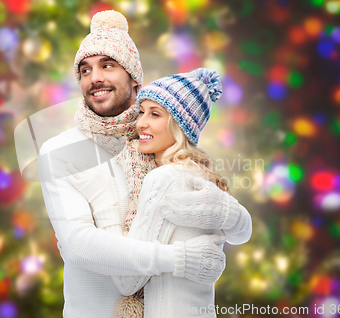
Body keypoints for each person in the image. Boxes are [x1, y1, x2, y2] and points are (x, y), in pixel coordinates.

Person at [38, 10, 231, 318]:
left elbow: (207, 229)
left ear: (133, 75)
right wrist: (178, 259)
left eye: (108, 65)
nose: (94, 77)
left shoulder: (162, 141)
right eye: (84, 70)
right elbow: (79, 244)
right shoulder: (58, 152)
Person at [68, 68, 252, 318]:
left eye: (155, 114)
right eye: (142, 111)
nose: (141, 122)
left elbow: (127, 280)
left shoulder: (163, 178)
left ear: (180, 126)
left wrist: (102, 204)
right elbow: (242, 231)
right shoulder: (202, 177)